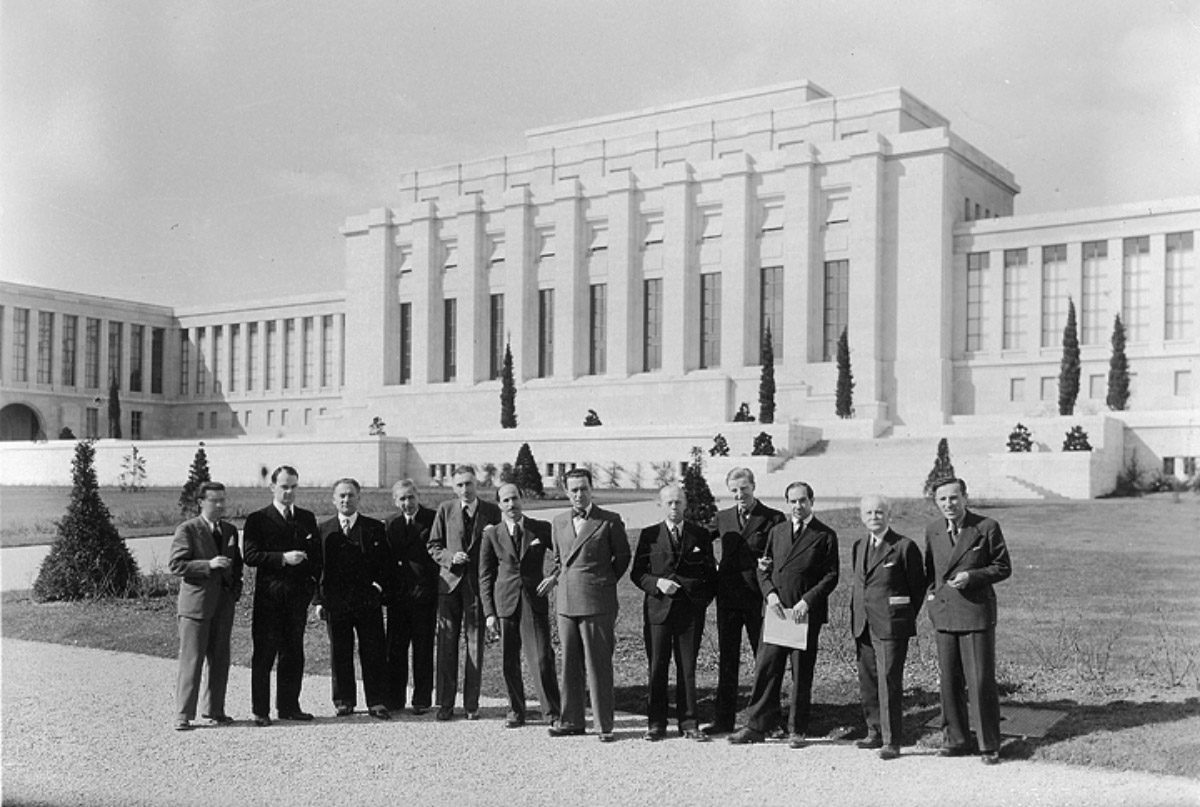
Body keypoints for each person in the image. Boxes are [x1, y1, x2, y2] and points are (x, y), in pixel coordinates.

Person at [728, 481, 838, 748]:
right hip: (777, 610)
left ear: (812, 501)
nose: (797, 506)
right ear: (787, 503)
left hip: (803, 614)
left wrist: (807, 601)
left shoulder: (825, 535)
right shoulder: (777, 531)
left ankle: (797, 729)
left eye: (802, 501)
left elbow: (831, 575)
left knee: (801, 673)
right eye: (792, 501)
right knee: (766, 669)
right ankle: (757, 725)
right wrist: (770, 594)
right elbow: (763, 569)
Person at [924, 477, 1012, 765]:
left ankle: (989, 745)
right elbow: (930, 572)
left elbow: (1002, 567)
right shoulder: (933, 530)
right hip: (946, 613)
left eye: (953, 498)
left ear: (965, 497)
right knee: (949, 681)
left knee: (980, 681)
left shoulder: (986, 527)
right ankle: (956, 740)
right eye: (942, 499)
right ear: (935, 502)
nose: (949, 504)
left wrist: (972, 577)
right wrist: (932, 598)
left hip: (975, 613)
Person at [547, 468, 631, 742]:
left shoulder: (608, 520)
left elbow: (622, 559)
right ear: (565, 491)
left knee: (598, 664)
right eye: (573, 490)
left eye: (583, 489)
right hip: (566, 601)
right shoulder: (558, 522)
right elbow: (560, 561)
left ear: (591, 489)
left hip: (597, 600)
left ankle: (603, 723)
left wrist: (602, 584)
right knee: (569, 663)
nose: (579, 495)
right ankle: (571, 720)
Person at [630, 484, 716, 742]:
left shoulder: (700, 535)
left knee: (687, 668)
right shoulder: (649, 535)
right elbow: (637, 574)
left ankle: (689, 723)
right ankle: (656, 724)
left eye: (678, 502)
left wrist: (700, 601)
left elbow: (711, 574)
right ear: (661, 505)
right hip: (658, 611)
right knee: (657, 667)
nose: (674, 507)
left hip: (690, 613)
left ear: (686, 504)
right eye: (669, 503)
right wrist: (658, 584)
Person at [703, 467, 785, 735]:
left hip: (758, 598)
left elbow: (782, 552)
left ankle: (769, 719)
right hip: (727, 597)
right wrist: (712, 566)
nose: (740, 495)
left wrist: (770, 564)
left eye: (745, 489)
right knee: (727, 659)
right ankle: (723, 720)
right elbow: (702, 540)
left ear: (754, 487)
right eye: (735, 490)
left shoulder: (772, 517)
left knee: (765, 660)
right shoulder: (723, 517)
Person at [479, 482, 562, 728]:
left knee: (541, 658)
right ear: (499, 505)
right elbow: (485, 575)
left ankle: (552, 713)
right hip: (505, 603)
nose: (511, 504)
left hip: (533, 599)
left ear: (521, 499)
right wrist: (489, 613)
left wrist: (554, 578)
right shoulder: (492, 534)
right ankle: (516, 711)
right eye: (505, 500)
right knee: (509, 660)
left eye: (514, 498)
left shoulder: (540, 529)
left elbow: (563, 556)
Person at [850, 494, 926, 759]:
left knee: (889, 681)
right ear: (862, 517)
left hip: (891, 626)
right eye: (869, 513)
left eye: (879, 513)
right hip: (863, 624)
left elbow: (917, 588)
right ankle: (874, 732)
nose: (874, 517)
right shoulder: (859, 545)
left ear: (888, 516)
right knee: (868, 679)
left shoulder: (904, 546)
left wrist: (900, 616)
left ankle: (892, 740)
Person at [242, 465, 319, 727]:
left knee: (293, 652)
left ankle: (289, 706)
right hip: (269, 598)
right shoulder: (258, 519)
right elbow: (250, 556)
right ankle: (260, 709)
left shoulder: (307, 518)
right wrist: (282, 559)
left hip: (297, 598)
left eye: (294, 486)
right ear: (272, 487)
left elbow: (316, 556)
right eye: (284, 486)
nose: (289, 492)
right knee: (264, 653)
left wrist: (311, 587)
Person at [311, 478, 393, 719]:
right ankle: (344, 700)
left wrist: (378, 589)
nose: (346, 500)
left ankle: (376, 701)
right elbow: (317, 568)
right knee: (340, 651)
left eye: (351, 495)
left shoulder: (374, 528)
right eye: (342, 496)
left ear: (359, 498)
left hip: (367, 602)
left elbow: (385, 565)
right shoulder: (323, 529)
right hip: (336, 602)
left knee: (373, 650)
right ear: (334, 499)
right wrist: (318, 601)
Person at [428, 464, 501, 721]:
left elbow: (499, 547)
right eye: (459, 485)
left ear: (477, 484)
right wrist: (449, 557)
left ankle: (472, 703)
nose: (465, 489)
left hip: (477, 587)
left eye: (469, 484)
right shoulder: (446, 510)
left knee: (475, 646)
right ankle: (445, 704)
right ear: (453, 487)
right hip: (449, 586)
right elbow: (433, 545)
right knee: (447, 645)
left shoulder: (491, 511)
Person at [169, 481, 243, 731]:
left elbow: (237, 564)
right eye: (215, 500)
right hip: (196, 606)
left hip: (223, 606)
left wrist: (235, 591)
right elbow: (177, 565)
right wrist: (207, 565)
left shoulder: (230, 531)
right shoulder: (188, 530)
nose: (221, 505)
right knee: (192, 659)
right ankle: (183, 714)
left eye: (223, 500)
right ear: (201, 502)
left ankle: (215, 709)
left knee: (220, 659)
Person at [382, 479, 439, 714]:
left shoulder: (433, 519)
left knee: (423, 648)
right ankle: (395, 699)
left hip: (425, 594)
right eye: (402, 499)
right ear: (396, 501)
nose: (407, 503)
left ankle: (422, 699)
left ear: (418, 496)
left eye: (410, 497)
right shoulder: (391, 525)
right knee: (396, 648)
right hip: (399, 597)